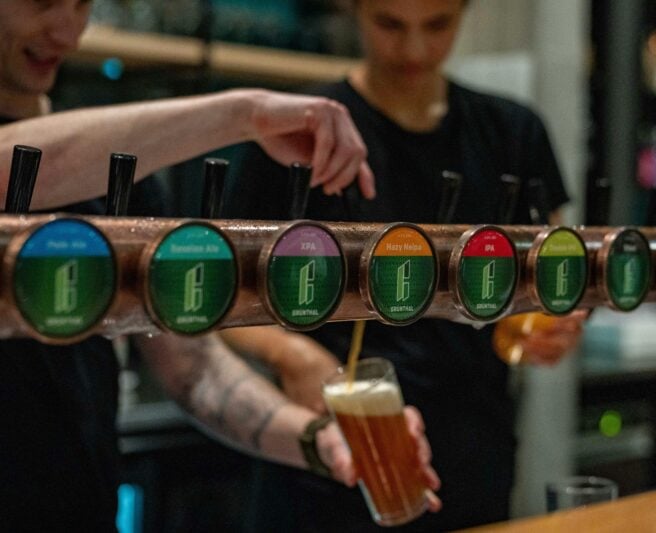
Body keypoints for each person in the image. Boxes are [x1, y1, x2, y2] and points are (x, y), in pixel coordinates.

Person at [0, 1, 440, 530]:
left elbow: (195, 370)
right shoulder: (82, 153)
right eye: (44, 1)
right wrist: (244, 115)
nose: (68, 31)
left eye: (82, 4)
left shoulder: (118, 176)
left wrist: (317, 438)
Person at [225, 0, 585, 530]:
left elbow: (558, 276)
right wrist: (291, 354)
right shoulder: (298, 132)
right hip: (332, 450)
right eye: (390, 25)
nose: (415, 50)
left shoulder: (513, 132)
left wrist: (555, 322)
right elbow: (225, 291)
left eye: (438, 25)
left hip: (470, 450)